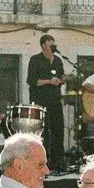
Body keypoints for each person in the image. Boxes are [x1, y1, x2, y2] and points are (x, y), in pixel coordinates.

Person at [26, 34, 65, 172]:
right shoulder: (35, 60)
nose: (53, 45)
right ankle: (43, 162)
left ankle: (58, 161)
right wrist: (49, 81)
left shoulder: (58, 61)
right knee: (43, 132)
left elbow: (61, 77)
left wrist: (63, 79)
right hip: (41, 100)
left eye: (54, 43)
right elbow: (31, 80)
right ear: (43, 45)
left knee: (58, 129)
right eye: (50, 43)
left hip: (55, 99)